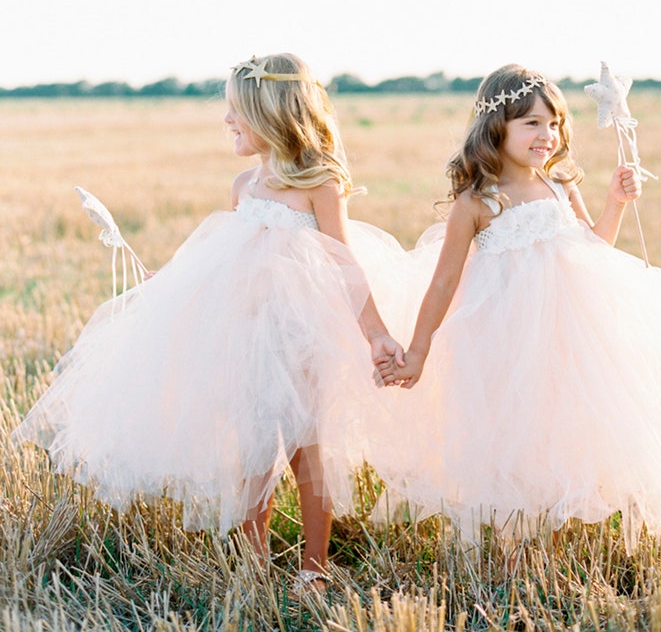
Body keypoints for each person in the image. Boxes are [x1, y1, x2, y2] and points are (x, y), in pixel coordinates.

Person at [13, 52, 403, 590]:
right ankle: (254, 563)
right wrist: (171, 281)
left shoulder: (319, 181)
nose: (227, 122)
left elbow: (344, 261)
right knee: (249, 448)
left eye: (235, 111)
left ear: (270, 113)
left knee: (306, 446)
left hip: (300, 332)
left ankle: (315, 567)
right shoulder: (244, 185)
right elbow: (226, 253)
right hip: (243, 332)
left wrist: (375, 332)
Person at [375, 64, 661, 551]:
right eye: (532, 123)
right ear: (497, 127)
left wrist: (616, 201)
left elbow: (593, 246)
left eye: (554, 123)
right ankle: (514, 551)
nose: (547, 134)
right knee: (509, 435)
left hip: (567, 332)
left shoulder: (561, 186)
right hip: (502, 337)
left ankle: (551, 543)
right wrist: (418, 350)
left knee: (559, 430)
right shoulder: (479, 201)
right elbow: (444, 282)